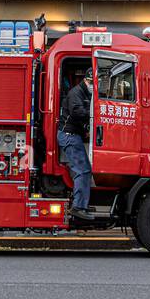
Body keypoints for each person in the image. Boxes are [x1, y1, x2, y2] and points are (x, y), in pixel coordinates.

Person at [58, 67, 95, 220]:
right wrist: (95, 113)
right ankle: (78, 207)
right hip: (69, 137)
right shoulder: (76, 93)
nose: (93, 85)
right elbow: (76, 112)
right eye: (91, 82)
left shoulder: (83, 92)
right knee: (83, 170)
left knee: (84, 170)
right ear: (86, 80)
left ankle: (82, 204)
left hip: (73, 136)